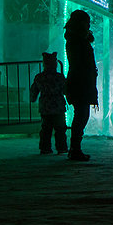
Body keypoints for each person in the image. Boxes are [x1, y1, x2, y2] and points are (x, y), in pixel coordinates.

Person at [63, 9, 99, 161]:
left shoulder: (75, 39)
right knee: (81, 115)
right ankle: (75, 149)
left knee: (81, 115)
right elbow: (81, 63)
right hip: (80, 83)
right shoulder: (76, 41)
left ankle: (75, 148)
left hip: (81, 82)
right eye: (86, 22)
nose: (88, 25)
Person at [29, 52, 68, 155]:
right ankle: (62, 148)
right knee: (60, 129)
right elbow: (65, 90)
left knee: (46, 129)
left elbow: (34, 91)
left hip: (45, 107)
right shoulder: (59, 77)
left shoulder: (39, 77)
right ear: (55, 64)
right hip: (58, 106)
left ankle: (45, 148)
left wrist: (32, 99)